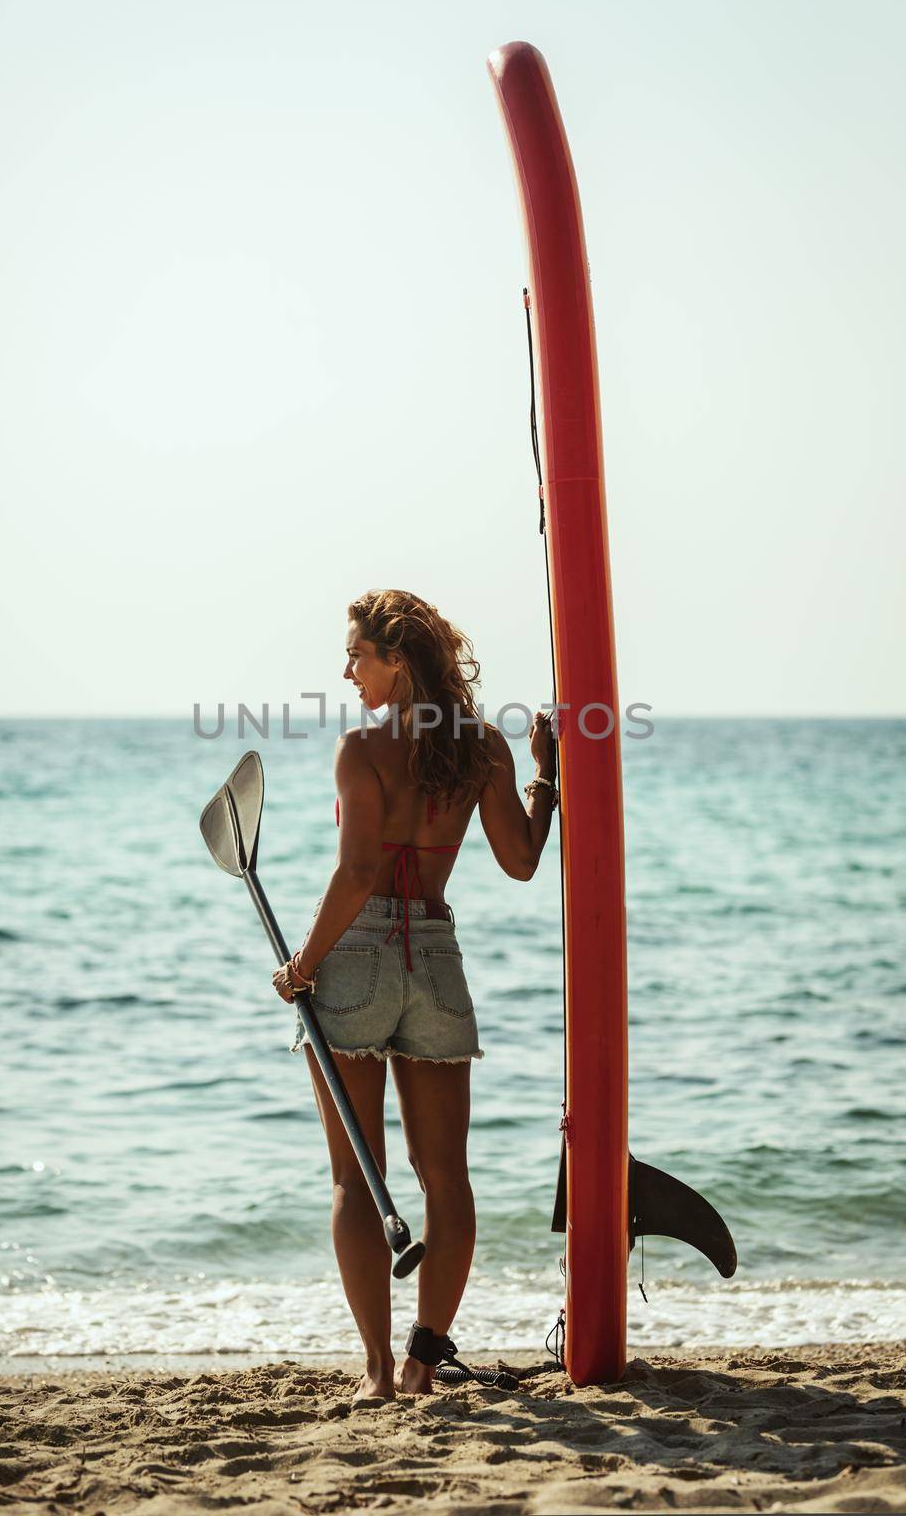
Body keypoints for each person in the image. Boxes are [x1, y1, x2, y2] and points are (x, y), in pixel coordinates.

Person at [271, 588, 558, 1402]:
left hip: (357, 955)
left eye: (357, 655)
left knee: (353, 1180)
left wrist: (302, 965)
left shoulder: (360, 748)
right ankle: (422, 1363)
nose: (346, 670)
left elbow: (358, 872)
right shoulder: (481, 746)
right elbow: (521, 861)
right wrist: (544, 775)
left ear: (395, 662)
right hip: (435, 954)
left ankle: (373, 1374)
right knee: (446, 1178)